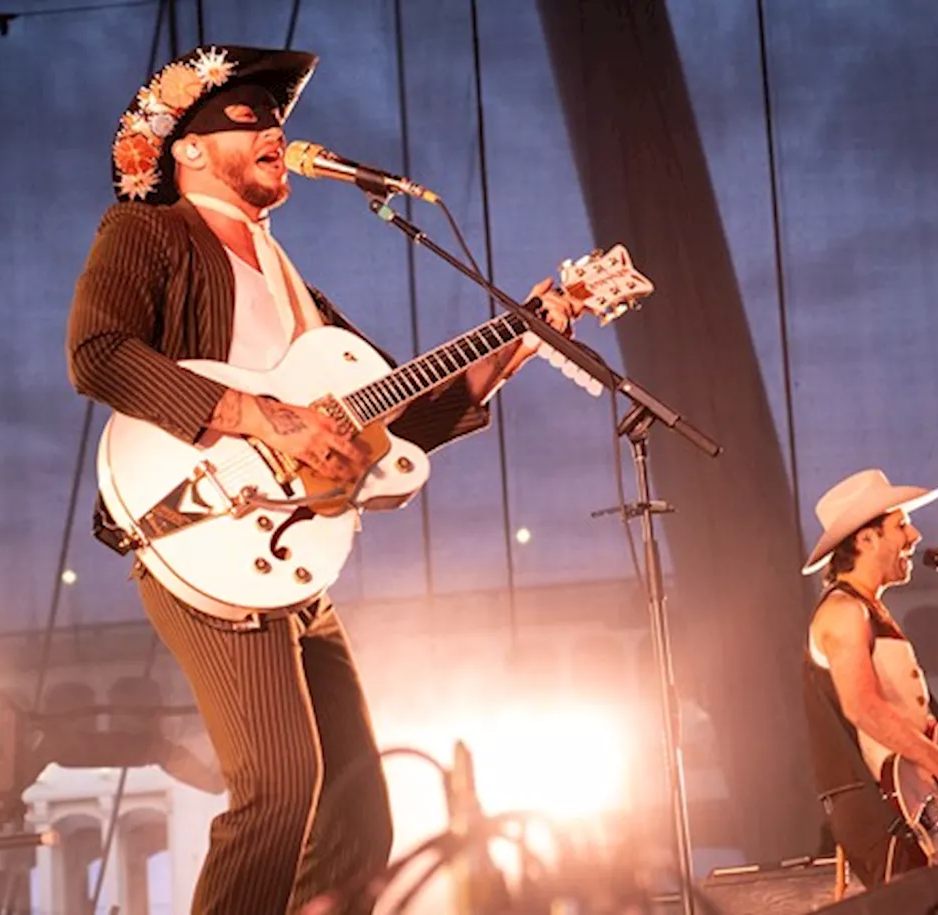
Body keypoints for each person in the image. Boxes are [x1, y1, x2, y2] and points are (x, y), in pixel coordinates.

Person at [64, 45, 577, 915]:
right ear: (188, 149)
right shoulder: (148, 233)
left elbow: (390, 419)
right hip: (200, 529)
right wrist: (261, 416)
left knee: (356, 816)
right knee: (277, 789)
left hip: (291, 552)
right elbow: (98, 353)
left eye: (278, 122)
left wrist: (515, 345)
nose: (276, 132)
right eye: (250, 121)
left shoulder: (296, 288)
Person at [801, 469, 938, 888]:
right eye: (901, 524)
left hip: (910, 806)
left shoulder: (871, 611)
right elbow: (863, 709)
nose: (915, 535)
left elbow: (900, 725)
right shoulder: (843, 613)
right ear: (865, 539)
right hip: (882, 814)